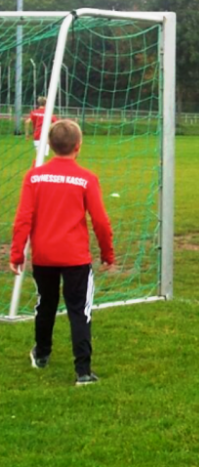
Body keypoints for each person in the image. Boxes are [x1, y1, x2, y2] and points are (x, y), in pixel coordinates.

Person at [9, 119, 114, 386]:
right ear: (79, 145)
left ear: (49, 144)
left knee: (46, 303)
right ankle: (83, 372)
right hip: (75, 257)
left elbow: (23, 218)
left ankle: (42, 354)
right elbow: (100, 221)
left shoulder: (34, 176)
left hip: (44, 256)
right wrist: (107, 253)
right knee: (79, 310)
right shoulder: (86, 178)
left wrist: (17, 254)